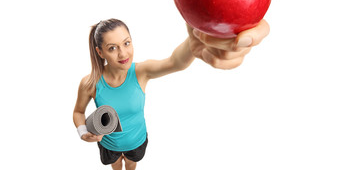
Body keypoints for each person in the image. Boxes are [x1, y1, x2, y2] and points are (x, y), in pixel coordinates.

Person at [73, 18, 269, 170]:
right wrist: (83, 133)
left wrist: (194, 41)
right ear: (100, 53)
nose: (123, 54)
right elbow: (78, 112)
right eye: (112, 48)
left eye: (127, 43)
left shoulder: (141, 72)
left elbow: (175, 62)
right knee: (116, 166)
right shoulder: (90, 83)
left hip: (137, 140)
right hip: (108, 143)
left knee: (131, 165)